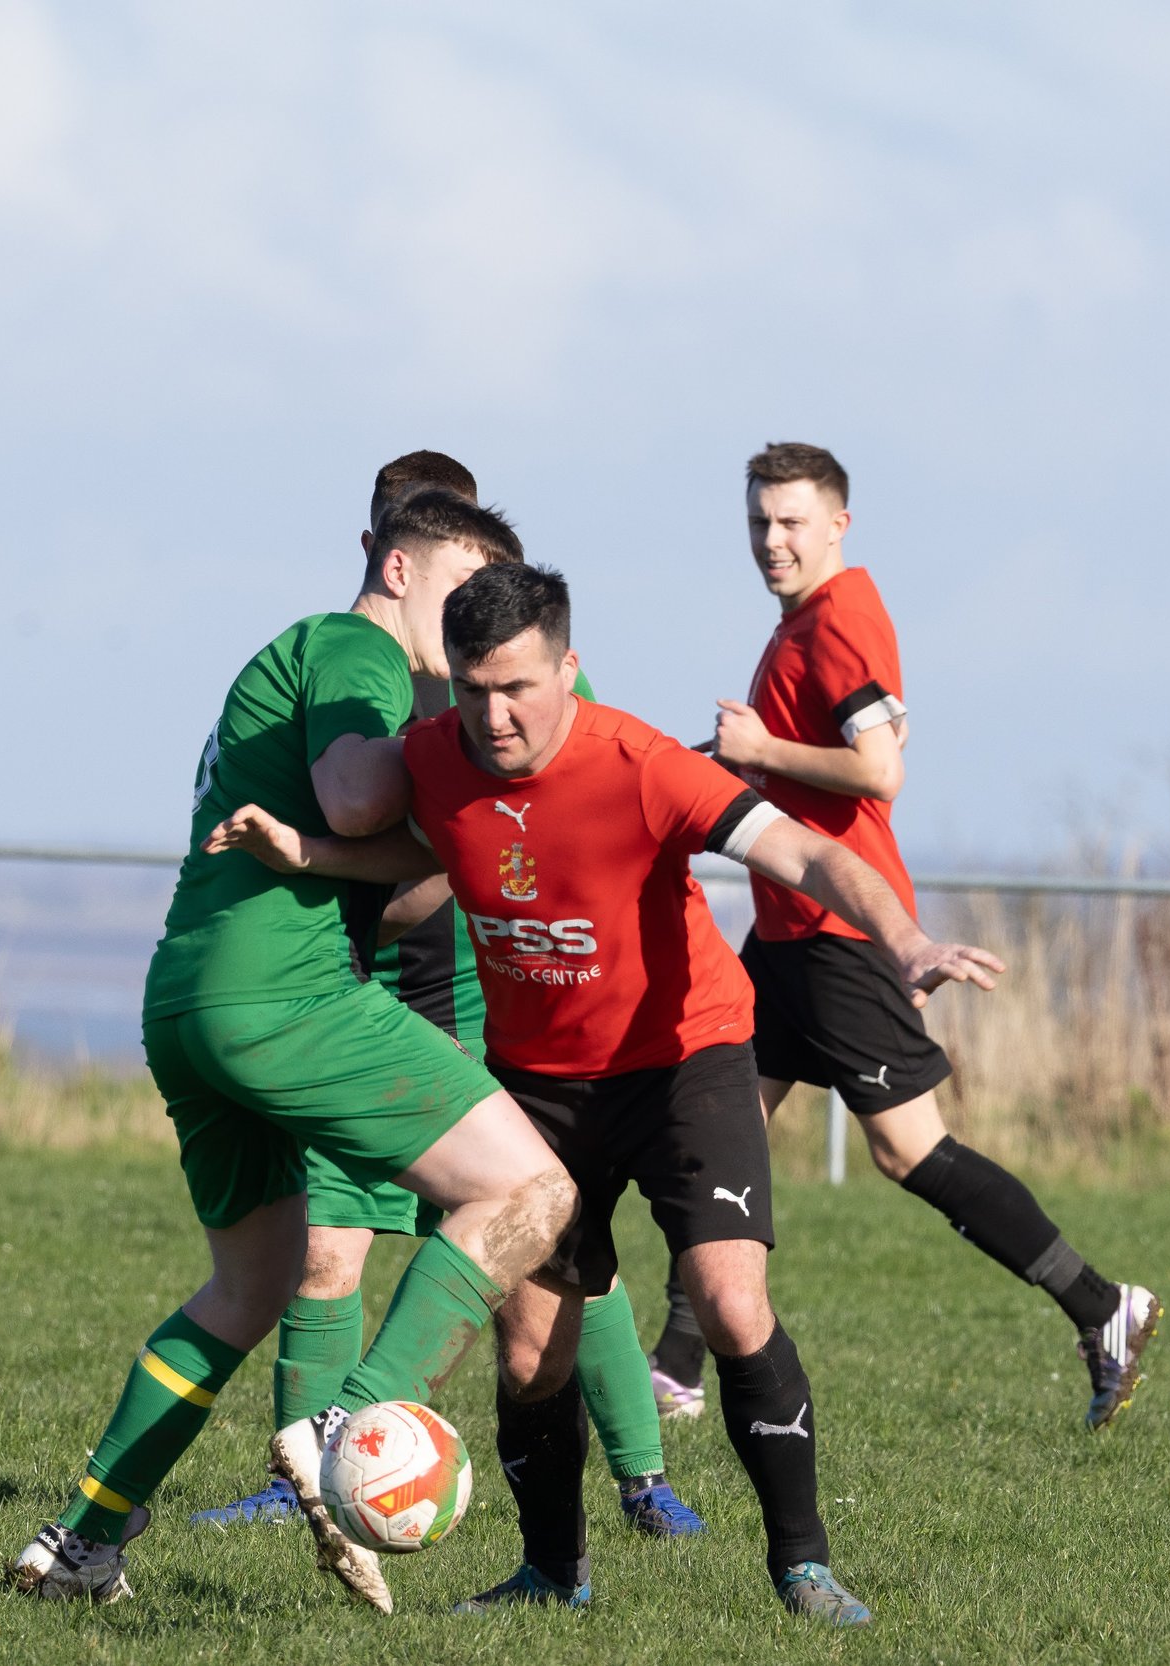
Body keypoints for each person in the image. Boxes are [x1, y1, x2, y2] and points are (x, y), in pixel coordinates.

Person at [205, 562, 1005, 1625]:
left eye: (520, 688)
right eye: (477, 688)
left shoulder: (641, 764)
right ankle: (551, 1574)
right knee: (534, 1347)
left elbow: (808, 852)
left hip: (686, 1062)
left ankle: (802, 1566)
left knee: (728, 1302)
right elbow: (422, 845)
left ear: (567, 668)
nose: (496, 714)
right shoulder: (436, 757)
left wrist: (905, 941)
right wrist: (303, 850)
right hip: (540, 1089)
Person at [10, 491, 576, 1613]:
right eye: (460, 590)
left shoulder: (297, 658)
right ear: (403, 570)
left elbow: (389, 877)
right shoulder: (358, 645)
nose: (468, 628)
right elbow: (356, 794)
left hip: (190, 991)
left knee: (248, 1284)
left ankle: (82, 1541)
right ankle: (349, 1419)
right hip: (285, 991)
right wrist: (456, 758)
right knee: (533, 1186)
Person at [190, 452, 704, 1541]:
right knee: (329, 1249)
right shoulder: (357, 673)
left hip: (467, 996)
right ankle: (314, 1480)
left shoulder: (501, 675)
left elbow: (572, 804)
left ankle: (642, 1478)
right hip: (348, 994)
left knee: (541, 1245)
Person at [650, 442, 1160, 1431]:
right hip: (783, 934)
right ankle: (675, 1365)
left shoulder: (839, 615)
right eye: (758, 520)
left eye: (792, 521)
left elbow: (878, 770)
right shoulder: (802, 622)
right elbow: (828, 759)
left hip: (839, 931)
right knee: (718, 1130)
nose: (771, 539)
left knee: (907, 1152)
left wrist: (761, 749)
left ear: (838, 523)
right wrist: (719, 769)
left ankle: (1102, 1307)